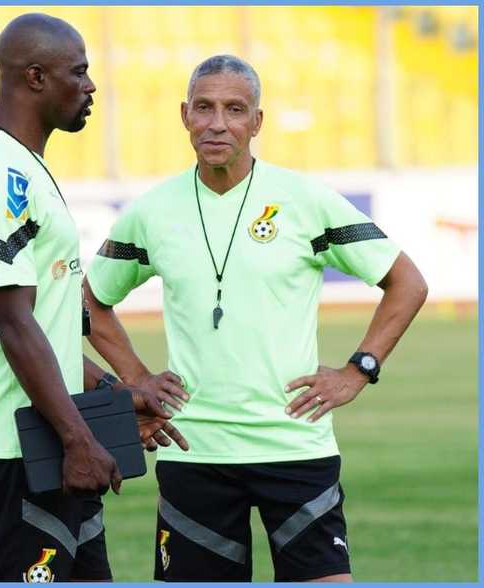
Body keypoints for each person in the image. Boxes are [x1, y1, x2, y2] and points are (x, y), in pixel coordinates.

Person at [83, 54, 429, 582]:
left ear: (257, 122)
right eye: (204, 108)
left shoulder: (306, 201)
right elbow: (90, 301)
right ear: (184, 116)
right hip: (194, 450)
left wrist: (358, 369)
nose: (217, 123)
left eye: (234, 109)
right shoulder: (151, 212)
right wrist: (136, 379)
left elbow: (406, 282)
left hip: (295, 444)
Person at [0, 14, 185, 583]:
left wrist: (114, 394)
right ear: (35, 77)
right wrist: (79, 438)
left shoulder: (24, 168)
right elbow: (13, 325)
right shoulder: (0, 175)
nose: (91, 86)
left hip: (45, 446)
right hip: (7, 453)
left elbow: (45, 331)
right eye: (79, 72)